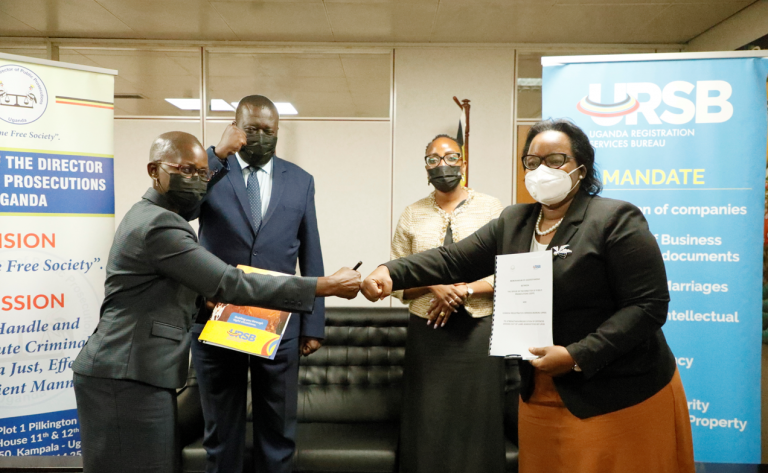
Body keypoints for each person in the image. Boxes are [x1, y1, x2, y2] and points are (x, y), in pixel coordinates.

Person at [362, 119, 695, 473]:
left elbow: (648, 306)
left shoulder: (614, 219)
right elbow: (451, 259)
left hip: (614, 392)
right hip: (540, 389)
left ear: (582, 168)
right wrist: (390, 272)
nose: (542, 170)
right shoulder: (515, 221)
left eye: (555, 160)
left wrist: (577, 355)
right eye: (532, 162)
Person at [72, 131, 360, 473]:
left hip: (137, 371)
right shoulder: (159, 226)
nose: (195, 180)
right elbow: (229, 282)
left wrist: (201, 306)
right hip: (124, 373)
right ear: (154, 170)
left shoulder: (153, 216)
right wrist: (324, 286)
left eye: (201, 172)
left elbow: (155, 292)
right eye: (185, 170)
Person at [189, 95, 324, 473]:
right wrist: (217, 153)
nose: (262, 137)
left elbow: (311, 251)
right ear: (235, 128)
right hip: (218, 316)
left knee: (278, 433)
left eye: (270, 131)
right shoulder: (212, 172)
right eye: (252, 129)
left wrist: (313, 324)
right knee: (221, 433)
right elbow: (182, 206)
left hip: (279, 320)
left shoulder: (300, 180)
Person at [389, 134, 505, 473]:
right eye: (434, 159)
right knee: (429, 414)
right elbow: (396, 277)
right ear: (426, 168)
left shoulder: (492, 209)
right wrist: (434, 285)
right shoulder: (412, 214)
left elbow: (510, 270)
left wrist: (466, 290)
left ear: (463, 163)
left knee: (478, 414)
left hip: (479, 329)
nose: (443, 165)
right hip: (428, 331)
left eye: (451, 157)